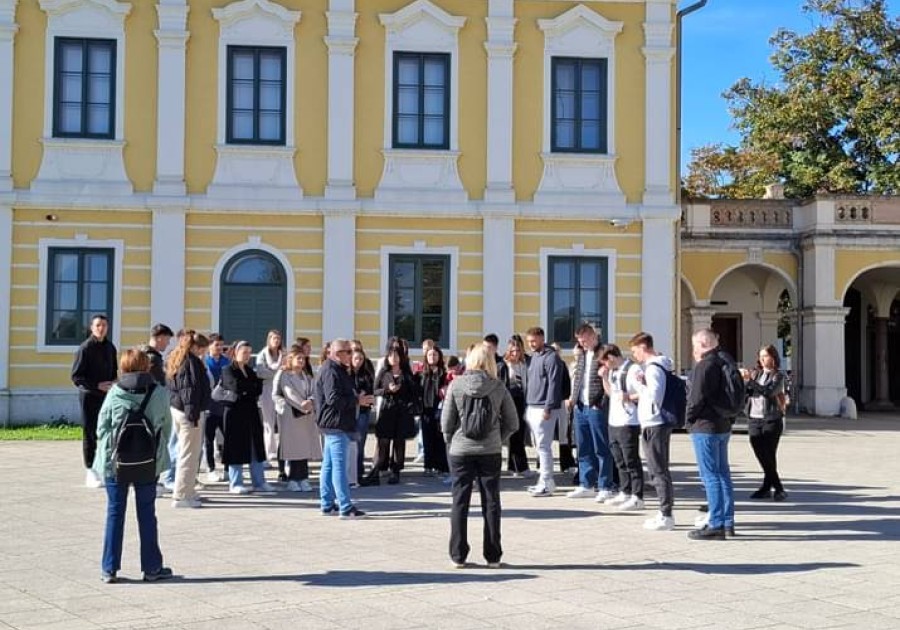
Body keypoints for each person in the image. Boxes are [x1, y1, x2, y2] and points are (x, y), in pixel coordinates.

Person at [93, 348, 173, 583]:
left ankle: (109, 569)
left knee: (115, 512)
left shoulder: (115, 392)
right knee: (147, 513)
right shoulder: (158, 392)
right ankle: (151, 567)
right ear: (146, 367)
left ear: (123, 368)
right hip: (148, 462)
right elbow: (166, 428)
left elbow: (101, 428)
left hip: (115, 462)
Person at [441, 343, 519, 568]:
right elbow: (513, 422)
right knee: (492, 502)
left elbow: (446, 423)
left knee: (459, 502)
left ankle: (458, 555)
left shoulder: (456, 385)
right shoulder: (498, 386)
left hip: (460, 451)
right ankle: (493, 556)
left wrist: (452, 441)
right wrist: (497, 437)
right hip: (490, 451)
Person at [686, 328, 736, 540]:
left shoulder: (704, 365)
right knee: (723, 473)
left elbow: (695, 398)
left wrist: (688, 420)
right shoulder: (725, 361)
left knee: (710, 476)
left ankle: (715, 523)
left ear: (703, 344)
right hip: (723, 424)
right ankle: (727, 521)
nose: (694, 349)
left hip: (705, 426)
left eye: (695, 345)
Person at [315, 338, 373, 518]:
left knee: (329, 465)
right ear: (336, 353)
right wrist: (358, 400)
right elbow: (333, 399)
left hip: (334, 423)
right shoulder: (331, 371)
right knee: (340, 466)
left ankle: (327, 504)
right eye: (348, 351)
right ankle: (346, 507)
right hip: (336, 424)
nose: (352, 354)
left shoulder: (337, 369)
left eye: (352, 351)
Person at [629, 332, 677, 531]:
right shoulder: (656, 367)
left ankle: (666, 514)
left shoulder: (653, 369)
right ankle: (664, 511)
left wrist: (640, 386)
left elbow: (655, 396)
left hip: (655, 423)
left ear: (643, 347)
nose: (634, 356)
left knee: (658, 469)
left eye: (634, 351)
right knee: (658, 468)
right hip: (653, 422)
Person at [567, 324, 615, 501]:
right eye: (580, 341)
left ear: (593, 336)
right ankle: (586, 483)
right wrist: (573, 399)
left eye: (585, 340)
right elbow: (578, 378)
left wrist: (601, 403)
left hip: (596, 407)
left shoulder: (603, 353)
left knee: (601, 447)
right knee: (583, 447)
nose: (582, 343)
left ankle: (605, 485)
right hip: (581, 406)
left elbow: (609, 379)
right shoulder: (581, 355)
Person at [364, 338, 420, 486]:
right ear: (387, 357)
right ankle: (376, 470)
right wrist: (388, 389)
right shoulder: (384, 372)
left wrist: (403, 390)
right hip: (387, 409)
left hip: (401, 411)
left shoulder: (406, 373)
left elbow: (414, 392)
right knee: (383, 440)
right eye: (391, 355)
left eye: (396, 355)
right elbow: (375, 390)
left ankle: (396, 470)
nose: (394, 358)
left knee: (399, 441)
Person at [166, 330, 212, 508]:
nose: (203, 353)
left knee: (187, 453)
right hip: (188, 413)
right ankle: (182, 495)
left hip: (179, 410)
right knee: (188, 454)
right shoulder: (190, 362)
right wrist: (193, 415)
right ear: (194, 347)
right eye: (202, 349)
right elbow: (189, 390)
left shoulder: (178, 358)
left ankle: (188, 490)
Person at [71, 314, 118, 488]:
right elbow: (76, 377)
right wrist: (97, 385)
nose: (101, 328)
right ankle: (90, 470)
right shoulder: (85, 348)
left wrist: (113, 383)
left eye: (104, 325)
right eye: (98, 325)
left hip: (107, 397)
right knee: (90, 433)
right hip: (89, 396)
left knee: (107, 432)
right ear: (92, 328)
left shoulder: (110, 348)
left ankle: (105, 466)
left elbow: (114, 372)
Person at [221, 341, 274, 494]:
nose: (247, 356)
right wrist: (249, 388)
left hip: (250, 412)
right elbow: (236, 387)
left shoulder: (250, 371)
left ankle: (259, 482)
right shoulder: (228, 369)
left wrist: (248, 389)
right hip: (234, 414)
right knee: (236, 447)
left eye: (249, 353)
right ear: (235, 353)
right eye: (244, 352)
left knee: (255, 448)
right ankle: (235, 482)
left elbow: (258, 389)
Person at [599, 344, 644, 511]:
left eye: (605, 362)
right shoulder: (612, 371)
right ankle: (625, 491)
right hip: (614, 420)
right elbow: (611, 393)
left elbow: (646, 392)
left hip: (628, 422)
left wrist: (630, 396)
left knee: (631, 460)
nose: (604, 366)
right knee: (619, 460)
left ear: (611, 357)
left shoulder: (633, 370)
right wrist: (604, 378)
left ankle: (637, 496)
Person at [743, 345, 788, 501]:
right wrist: (746, 382)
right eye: (761, 356)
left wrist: (751, 382)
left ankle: (774, 488)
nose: (762, 359)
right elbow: (748, 392)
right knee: (761, 454)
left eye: (766, 356)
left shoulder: (778, 376)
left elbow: (769, 392)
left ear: (773, 358)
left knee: (768, 455)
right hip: (754, 418)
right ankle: (771, 488)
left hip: (771, 419)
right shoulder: (756, 374)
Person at [272, 349, 321, 492]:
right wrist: (301, 404)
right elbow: (288, 393)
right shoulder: (285, 375)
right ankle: (293, 478)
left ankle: (304, 478)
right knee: (293, 448)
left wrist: (311, 401)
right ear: (290, 359)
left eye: (303, 359)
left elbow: (313, 391)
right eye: (298, 358)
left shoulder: (307, 376)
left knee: (304, 448)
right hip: (291, 414)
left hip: (306, 415)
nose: (301, 361)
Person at [524, 327, 562, 497]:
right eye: (528, 341)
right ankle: (544, 481)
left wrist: (548, 407)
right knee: (539, 447)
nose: (530, 344)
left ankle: (547, 481)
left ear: (541, 338)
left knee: (544, 446)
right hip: (532, 406)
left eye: (533, 341)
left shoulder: (551, 357)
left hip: (543, 408)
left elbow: (554, 384)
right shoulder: (534, 357)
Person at [503, 335, 534, 479]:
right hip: (510, 400)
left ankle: (513, 465)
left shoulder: (527, 362)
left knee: (519, 434)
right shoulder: (505, 364)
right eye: (513, 351)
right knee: (515, 433)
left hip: (523, 399)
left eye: (518, 350)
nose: (515, 354)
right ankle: (520, 466)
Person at [418, 345, 450, 480]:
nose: (432, 357)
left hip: (440, 409)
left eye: (435, 355)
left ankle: (441, 467)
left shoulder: (444, 373)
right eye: (430, 355)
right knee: (427, 438)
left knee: (439, 438)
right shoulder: (421, 373)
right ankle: (428, 466)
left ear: (439, 356)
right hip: (425, 410)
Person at [255, 330, 284, 463]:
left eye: (278, 338)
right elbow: (261, 373)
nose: (276, 341)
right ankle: (270, 451)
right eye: (274, 338)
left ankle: (282, 450)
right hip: (267, 389)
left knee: (283, 421)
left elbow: (287, 369)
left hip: (282, 390)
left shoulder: (283, 354)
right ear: (269, 339)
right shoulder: (262, 354)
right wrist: (277, 372)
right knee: (268, 423)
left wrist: (276, 372)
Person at [203, 333, 230, 483]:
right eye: (216, 345)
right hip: (209, 407)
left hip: (224, 406)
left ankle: (227, 468)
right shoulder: (204, 362)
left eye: (221, 345)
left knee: (228, 438)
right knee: (209, 439)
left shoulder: (227, 361)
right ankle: (211, 469)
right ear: (209, 346)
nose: (219, 348)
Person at [350, 345, 375, 485]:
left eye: (360, 358)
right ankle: (351, 473)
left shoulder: (366, 375)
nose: (358, 361)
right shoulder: (347, 373)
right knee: (350, 443)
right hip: (351, 411)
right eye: (356, 358)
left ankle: (359, 472)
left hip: (363, 412)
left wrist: (365, 396)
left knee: (360, 442)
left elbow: (370, 390)